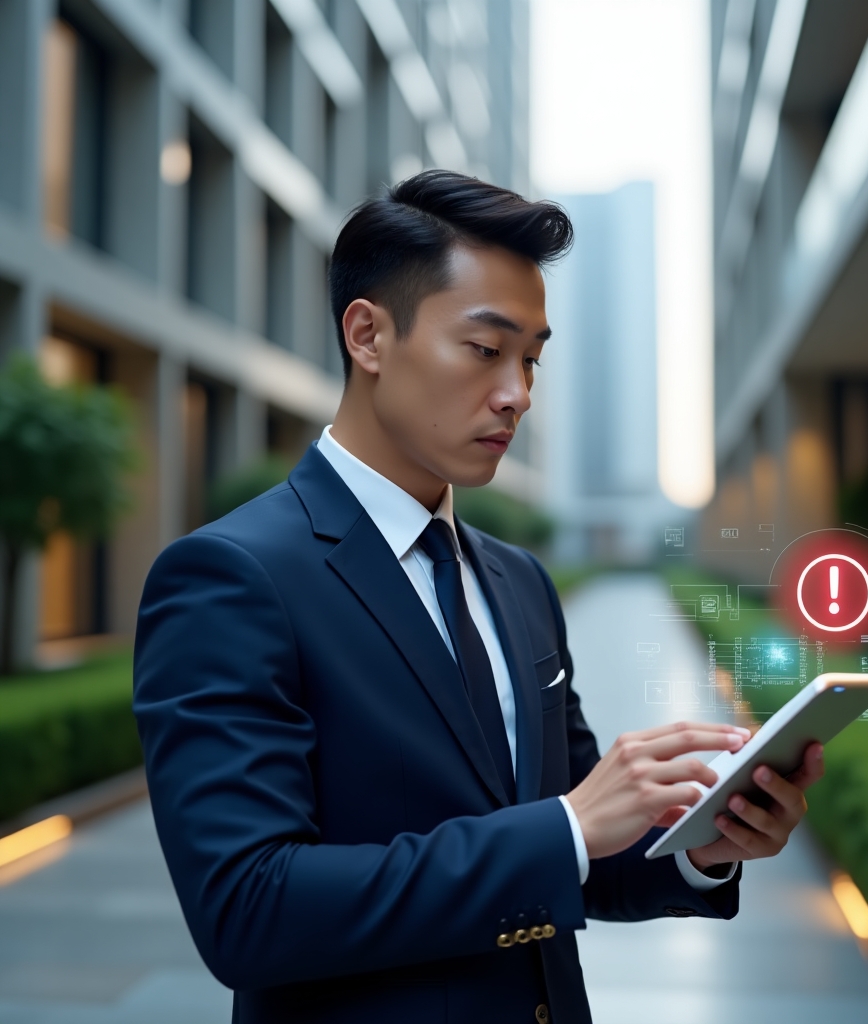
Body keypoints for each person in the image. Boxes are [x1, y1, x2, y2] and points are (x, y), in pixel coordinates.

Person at [133, 170, 824, 1024]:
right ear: (368, 336)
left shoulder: (519, 580)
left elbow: (576, 848)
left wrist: (702, 845)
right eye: (486, 350)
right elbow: (248, 908)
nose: (517, 394)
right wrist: (566, 828)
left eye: (531, 360)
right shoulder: (231, 576)